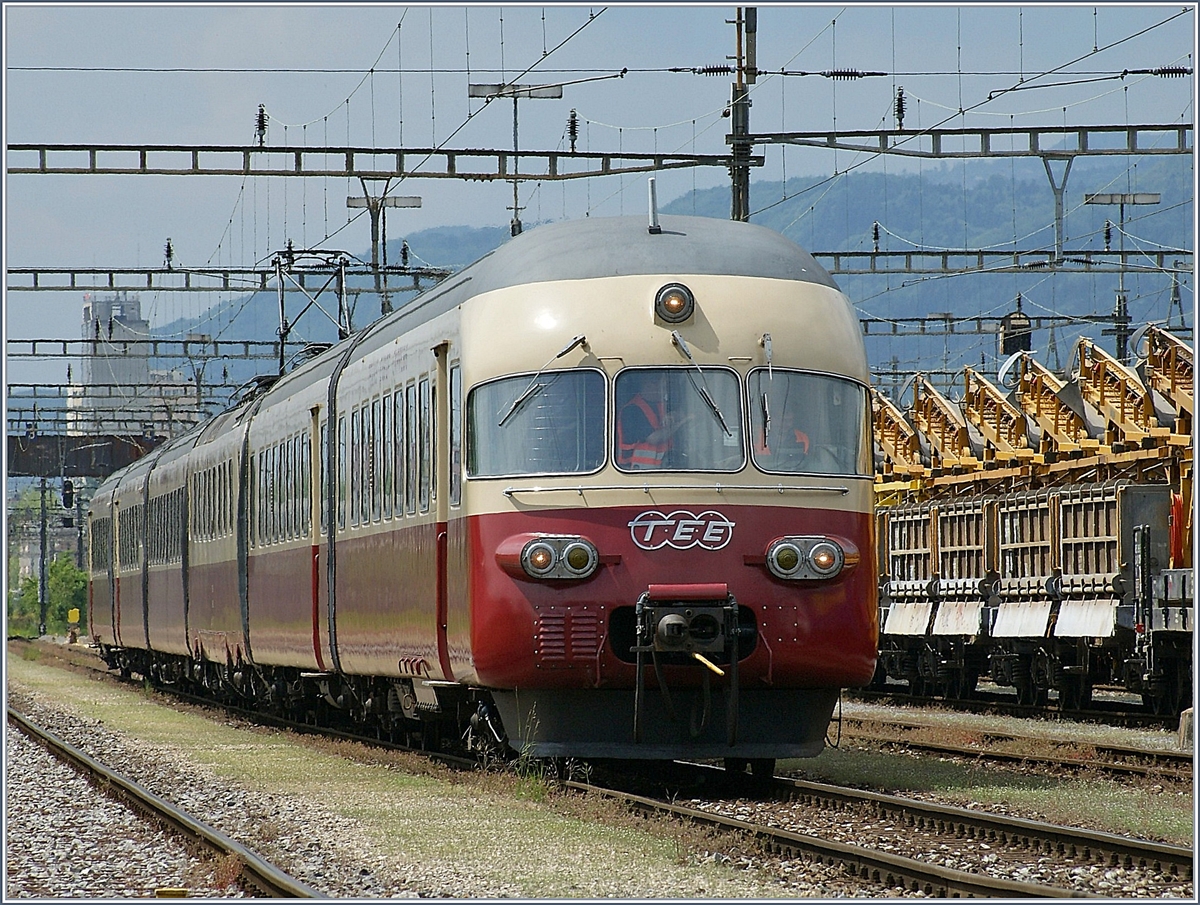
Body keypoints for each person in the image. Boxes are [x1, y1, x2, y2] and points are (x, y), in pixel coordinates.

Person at [617, 372, 685, 469]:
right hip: (636, 472)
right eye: (662, 386)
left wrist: (674, 416)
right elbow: (653, 438)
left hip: (663, 468)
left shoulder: (662, 405)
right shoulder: (632, 410)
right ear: (649, 384)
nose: (664, 391)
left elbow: (682, 412)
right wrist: (681, 424)